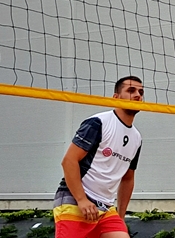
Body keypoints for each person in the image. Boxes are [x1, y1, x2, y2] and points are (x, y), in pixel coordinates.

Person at [53, 76, 144, 238]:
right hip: (76, 199)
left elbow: (128, 178)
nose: (138, 94)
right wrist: (81, 200)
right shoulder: (98, 123)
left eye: (140, 91)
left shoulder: (136, 138)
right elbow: (69, 161)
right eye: (131, 90)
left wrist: (121, 216)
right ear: (116, 97)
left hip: (106, 207)